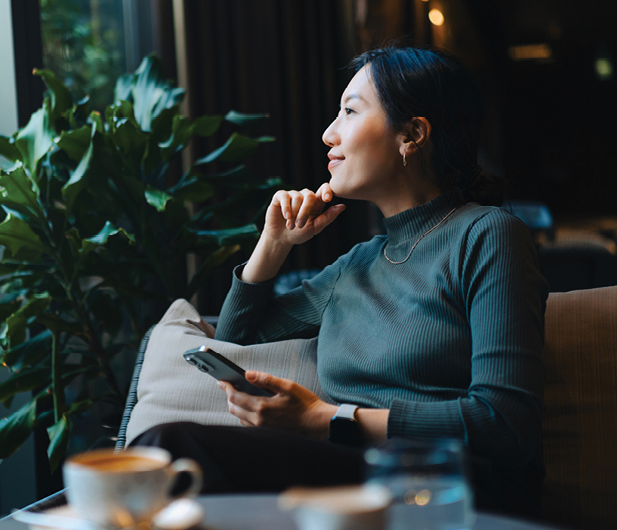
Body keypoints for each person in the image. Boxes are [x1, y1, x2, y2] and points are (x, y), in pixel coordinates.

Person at [131, 45, 548, 517]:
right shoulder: (357, 265)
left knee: (172, 448)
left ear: (411, 134)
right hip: (349, 475)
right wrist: (273, 244)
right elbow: (235, 340)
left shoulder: (488, 235)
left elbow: (507, 426)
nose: (329, 133)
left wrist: (325, 420)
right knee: (161, 461)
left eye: (349, 111)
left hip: (449, 484)